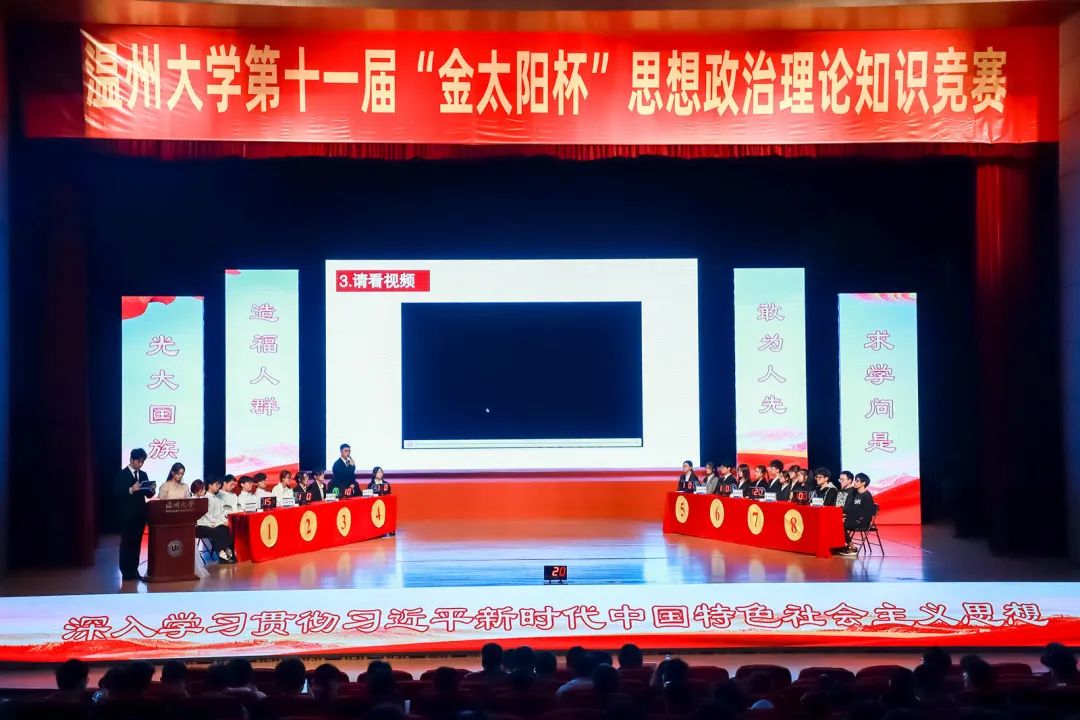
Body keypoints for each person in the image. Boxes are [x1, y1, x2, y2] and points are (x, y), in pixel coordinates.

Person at [118, 448, 154, 582]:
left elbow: (148, 495)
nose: (141, 464)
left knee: (137, 543)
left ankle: (134, 570)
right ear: (131, 460)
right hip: (127, 516)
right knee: (127, 543)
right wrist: (131, 489)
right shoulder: (122, 474)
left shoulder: (143, 474)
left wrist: (151, 489)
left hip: (140, 515)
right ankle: (125, 572)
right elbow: (117, 492)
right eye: (139, 461)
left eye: (142, 461)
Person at [197, 476, 237, 563]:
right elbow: (208, 515)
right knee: (219, 530)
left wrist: (225, 521)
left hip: (216, 523)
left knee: (226, 529)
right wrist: (221, 522)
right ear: (210, 485)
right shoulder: (205, 498)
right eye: (217, 484)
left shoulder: (218, 498)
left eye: (219, 484)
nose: (219, 486)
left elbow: (221, 513)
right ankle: (224, 557)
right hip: (204, 524)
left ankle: (229, 555)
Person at [838, 473, 875, 556]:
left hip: (862, 521)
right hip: (852, 519)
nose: (854, 482)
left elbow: (869, 512)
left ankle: (853, 548)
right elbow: (851, 508)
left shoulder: (867, 495)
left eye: (857, 481)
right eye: (855, 480)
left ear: (863, 483)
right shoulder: (855, 494)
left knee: (839, 526)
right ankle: (842, 546)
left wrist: (856, 519)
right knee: (835, 523)